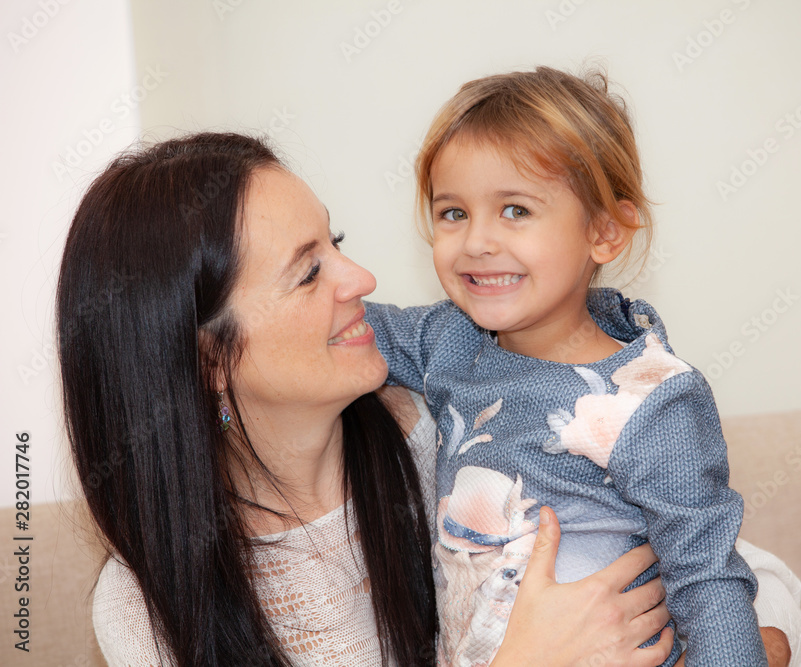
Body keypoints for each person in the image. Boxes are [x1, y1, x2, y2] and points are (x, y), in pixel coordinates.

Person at [57, 132, 675, 666]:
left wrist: (767, 640)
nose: (360, 279)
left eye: (336, 241)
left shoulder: (450, 428)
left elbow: (737, 571)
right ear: (209, 359)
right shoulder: (147, 608)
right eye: (308, 273)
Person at [363, 67, 764, 666]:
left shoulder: (652, 399)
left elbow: (707, 581)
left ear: (604, 233)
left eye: (515, 210)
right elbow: (340, 326)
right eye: (452, 213)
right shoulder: (447, 338)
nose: (476, 241)